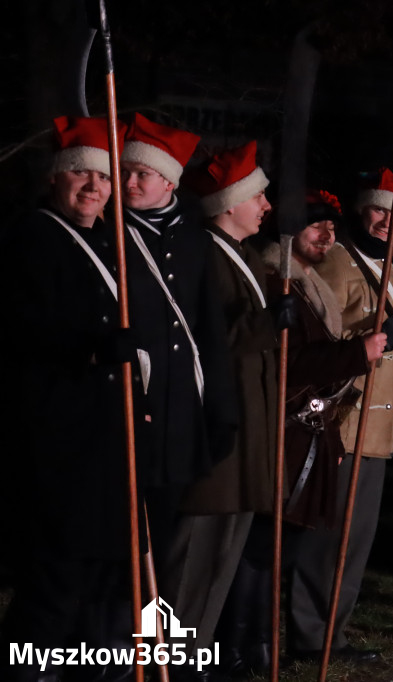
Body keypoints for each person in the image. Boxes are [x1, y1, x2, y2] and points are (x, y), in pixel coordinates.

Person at [0, 115, 149, 682]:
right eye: (81, 174)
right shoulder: (31, 235)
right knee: (53, 571)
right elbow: (20, 325)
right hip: (53, 427)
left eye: (105, 178)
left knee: (90, 566)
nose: (95, 186)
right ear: (55, 179)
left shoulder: (102, 240)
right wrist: (88, 347)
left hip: (102, 429)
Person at [287, 168, 393, 663]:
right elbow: (323, 345)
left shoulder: (390, 271)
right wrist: (383, 333)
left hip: (378, 425)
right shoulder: (340, 263)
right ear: (361, 210)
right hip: (342, 422)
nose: (388, 221)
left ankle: (333, 634)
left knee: (355, 541)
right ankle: (309, 633)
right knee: (326, 538)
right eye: (379, 210)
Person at [167, 141, 280, 680]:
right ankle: (164, 656)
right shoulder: (205, 256)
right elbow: (212, 338)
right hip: (217, 432)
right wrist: (268, 322)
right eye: (257, 196)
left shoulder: (247, 258)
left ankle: (193, 655)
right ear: (228, 203)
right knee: (189, 560)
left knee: (220, 559)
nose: (266, 206)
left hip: (247, 431)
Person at [120, 113, 238, 564]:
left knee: (165, 534)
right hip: (134, 403)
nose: (130, 182)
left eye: (142, 174)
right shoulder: (109, 231)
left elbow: (208, 328)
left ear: (169, 183)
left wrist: (220, 408)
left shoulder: (192, 238)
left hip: (181, 409)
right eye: (126, 172)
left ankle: (153, 628)